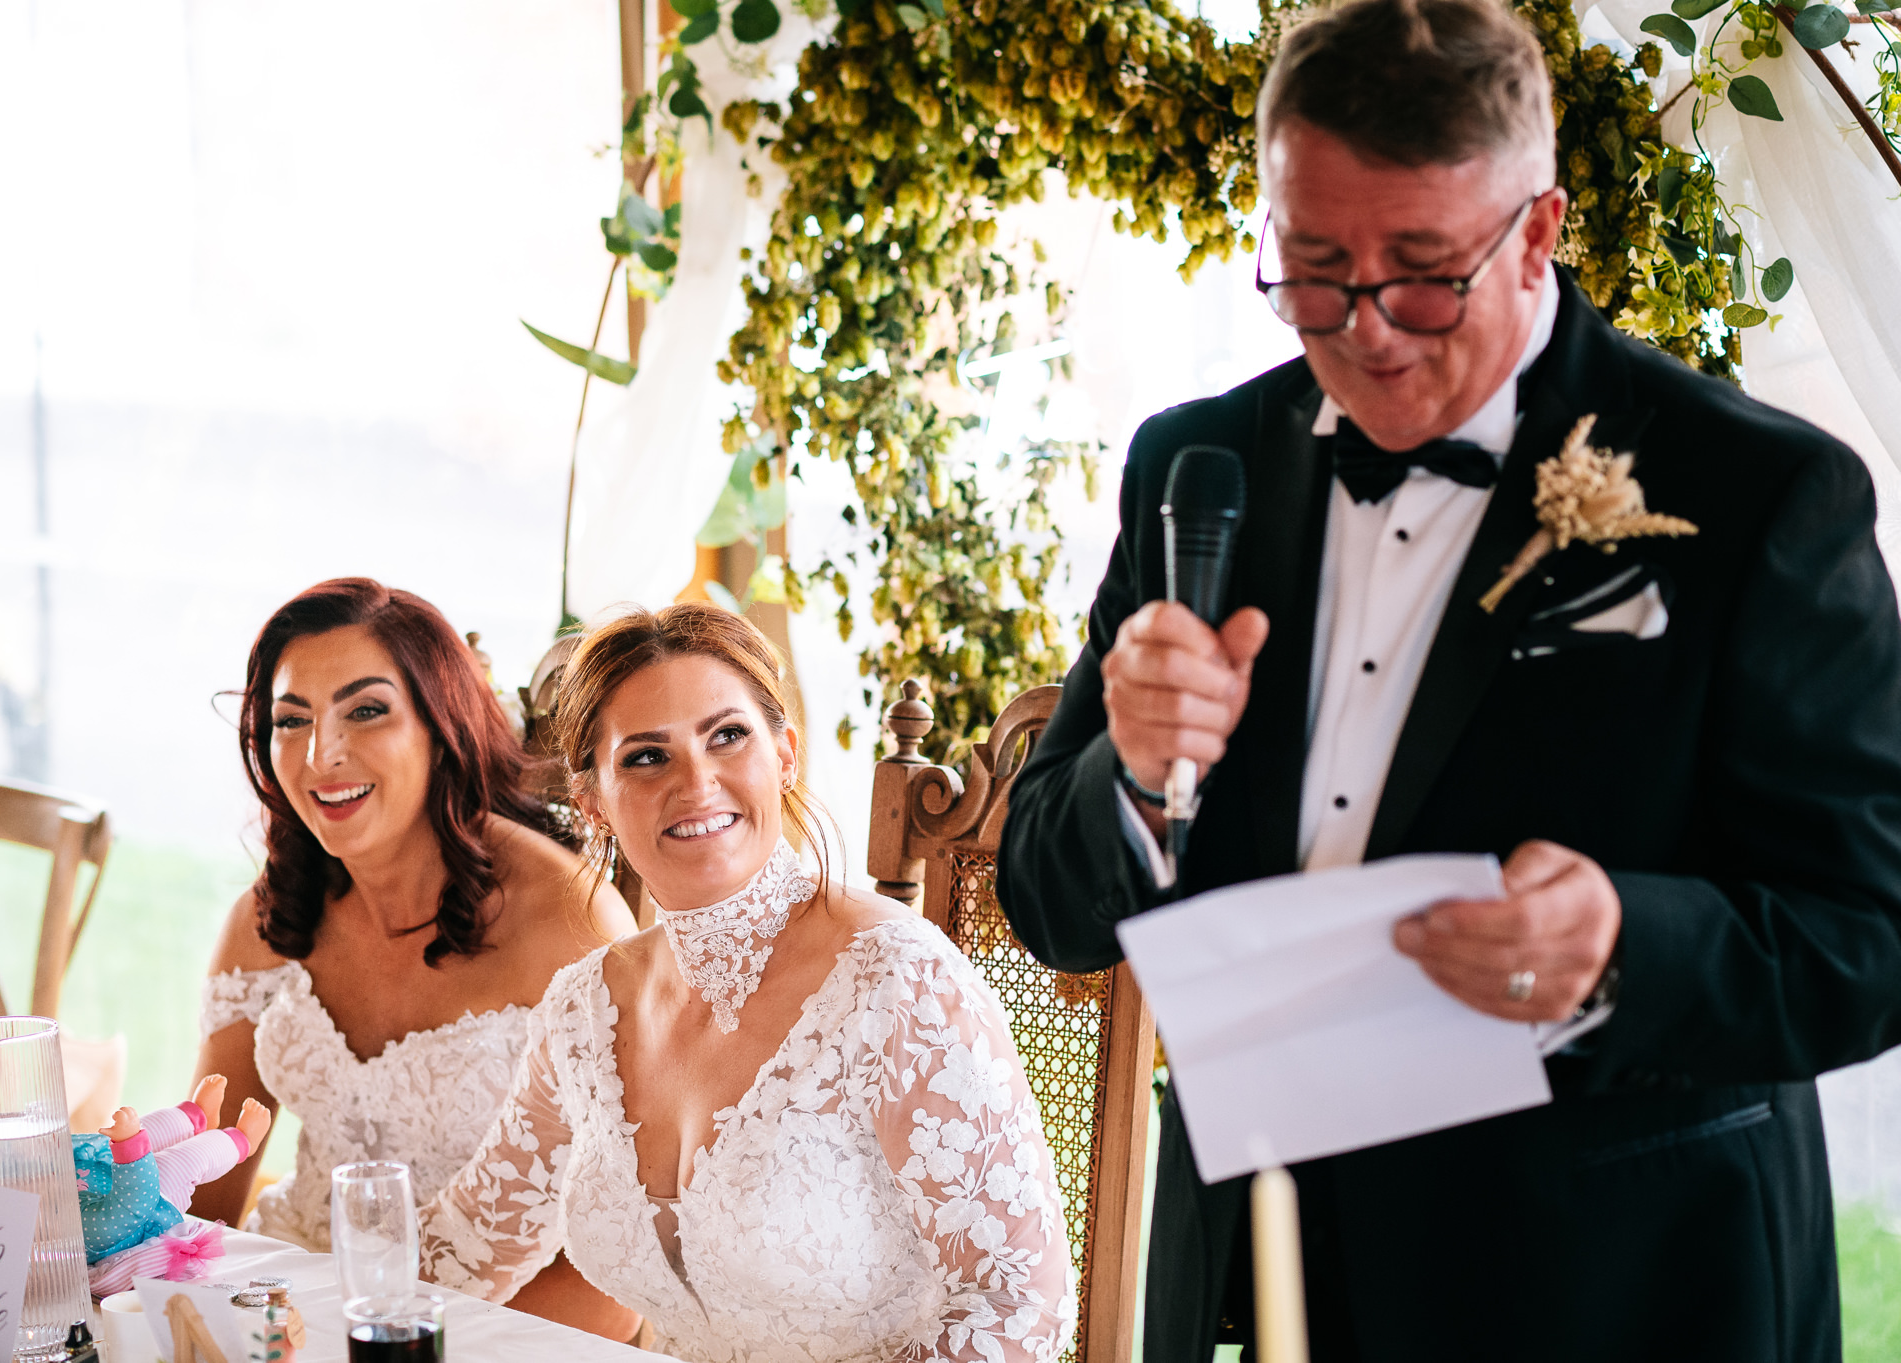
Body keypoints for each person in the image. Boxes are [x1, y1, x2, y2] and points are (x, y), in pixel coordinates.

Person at [996, 0, 1901, 1358]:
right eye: (1312, 270)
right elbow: (1045, 901)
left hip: (1617, 1289)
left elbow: (1868, 938)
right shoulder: (1200, 465)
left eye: (1425, 272)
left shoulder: (1757, 492)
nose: (1369, 330)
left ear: (1536, 232)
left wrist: (1619, 945)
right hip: (1264, 1267)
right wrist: (1126, 772)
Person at [415, 602, 1076, 1363]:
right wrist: (291, 1295)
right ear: (594, 801)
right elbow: (471, 1240)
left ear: (785, 752)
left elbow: (1021, 1301)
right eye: (646, 756)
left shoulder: (896, 984)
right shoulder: (583, 1010)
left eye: (727, 735)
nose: (697, 781)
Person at [190, 578, 641, 1340]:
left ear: (441, 727)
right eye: (289, 719)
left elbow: (620, 1270)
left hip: (505, 1330)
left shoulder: (567, 919)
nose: (320, 754)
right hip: (298, 1309)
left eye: (366, 710)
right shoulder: (268, 917)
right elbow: (206, 1196)